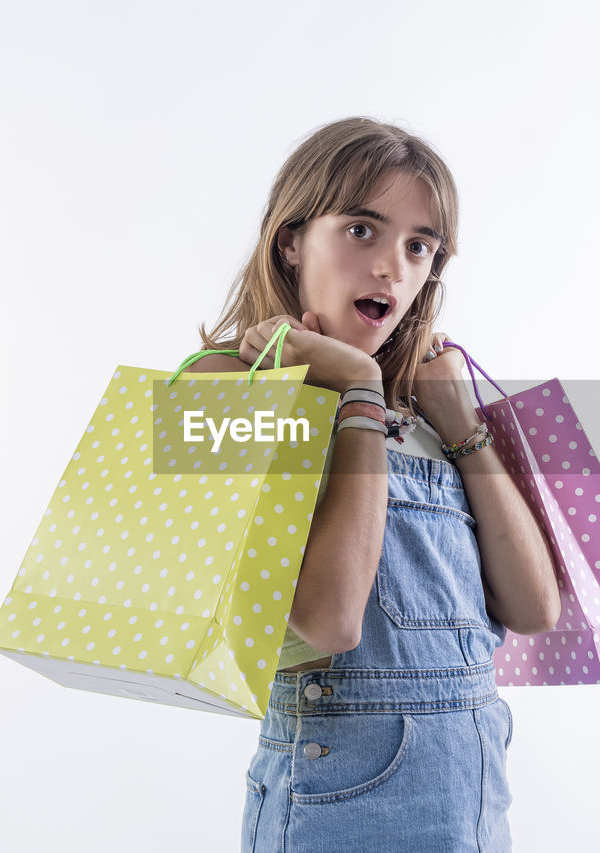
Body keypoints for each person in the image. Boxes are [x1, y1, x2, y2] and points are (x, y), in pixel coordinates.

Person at [184, 117, 561, 852]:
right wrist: (355, 391)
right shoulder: (225, 387)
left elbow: (535, 607)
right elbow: (328, 623)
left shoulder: (428, 407)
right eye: (363, 229)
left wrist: (465, 431)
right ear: (292, 240)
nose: (393, 266)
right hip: (340, 801)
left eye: (419, 246)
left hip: (473, 796)